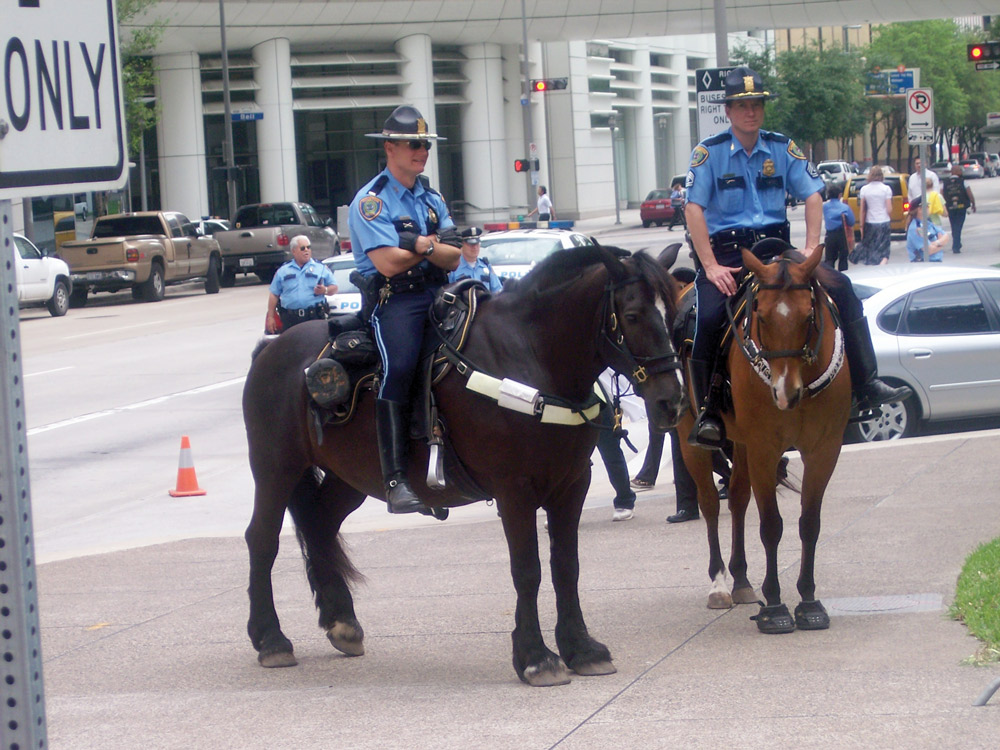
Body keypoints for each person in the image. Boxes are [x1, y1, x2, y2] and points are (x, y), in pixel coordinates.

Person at [683, 66, 910, 448]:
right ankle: (707, 412)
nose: (750, 112)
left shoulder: (781, 147)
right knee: (704, 317)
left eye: (756, 104)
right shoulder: (710, 153)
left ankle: (867, 384)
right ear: (728, 111)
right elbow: (693, 210)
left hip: (778, 248)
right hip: (728, 253)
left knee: (842, 286)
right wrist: (710, 266)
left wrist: (810, 246)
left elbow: (813, 195)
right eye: (742, 106)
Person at [348, 105, 462, 514]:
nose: (422, 151)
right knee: (401, 365)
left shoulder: (431, 196)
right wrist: (431, 247)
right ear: (390, 148)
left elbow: (453, 258)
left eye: (426, 144)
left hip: (441, 292)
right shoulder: (372, 202)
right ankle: (396, 478)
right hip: (396, 300)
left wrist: (417, 243)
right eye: (414, 144)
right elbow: (388, 264)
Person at [264, 235, 337, 334]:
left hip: (314, 317)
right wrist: (271, 317)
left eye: (308, 247)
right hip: (290, 319)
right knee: (291, 348)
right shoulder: (283, 270)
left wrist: (325, 290)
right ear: (294, 251)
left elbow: (334, 287)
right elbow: (274, 294)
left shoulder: (320, 268)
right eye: (302, 248)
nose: (306, 250)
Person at [855, 166, 893, 265]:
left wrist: (861, 226)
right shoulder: (886, 189)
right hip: (884, 221)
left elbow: (862, 210)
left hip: (870, 222)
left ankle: (873, 270)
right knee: (884, 251)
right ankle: (882, 266)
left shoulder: (864, 189)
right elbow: (889, 209)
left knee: (871, 250)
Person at [448, 227, 503, 292]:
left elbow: (497, 290)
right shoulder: (453, 268)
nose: (475, 247)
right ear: (462, 245)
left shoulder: (486, 266)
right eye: (471, 244)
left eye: (477, 244)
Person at [942, 164, 976, 254]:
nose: (961, 172)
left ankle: (956, 243)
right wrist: (973, 204)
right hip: (961, 208)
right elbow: (969, 193)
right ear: (956, 171)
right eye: (960, 170)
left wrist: (943, 206)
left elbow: (941, 195)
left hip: (950, 208)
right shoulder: (963, 182)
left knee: (953, 226)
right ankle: (956, 245)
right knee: (958, 226)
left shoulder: (945, 183)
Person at [906, 197, 949, 263]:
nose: (929, 208)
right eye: (927, 206)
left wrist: (936, 243)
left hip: (936, 262)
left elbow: (946, 236)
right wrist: (941, 244)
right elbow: (928, 250)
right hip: (923, 265)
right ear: (920, 209)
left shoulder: (928, 223)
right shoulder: (916, 228)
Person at [822, 185, 854, 271]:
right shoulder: (845, 207)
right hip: (841, 234)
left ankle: (829, 278)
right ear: (840, 195)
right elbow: (851, 222)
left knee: (829, 259)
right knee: (843, 257)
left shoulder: (825, 207)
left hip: (829, 235)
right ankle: (842, 276)